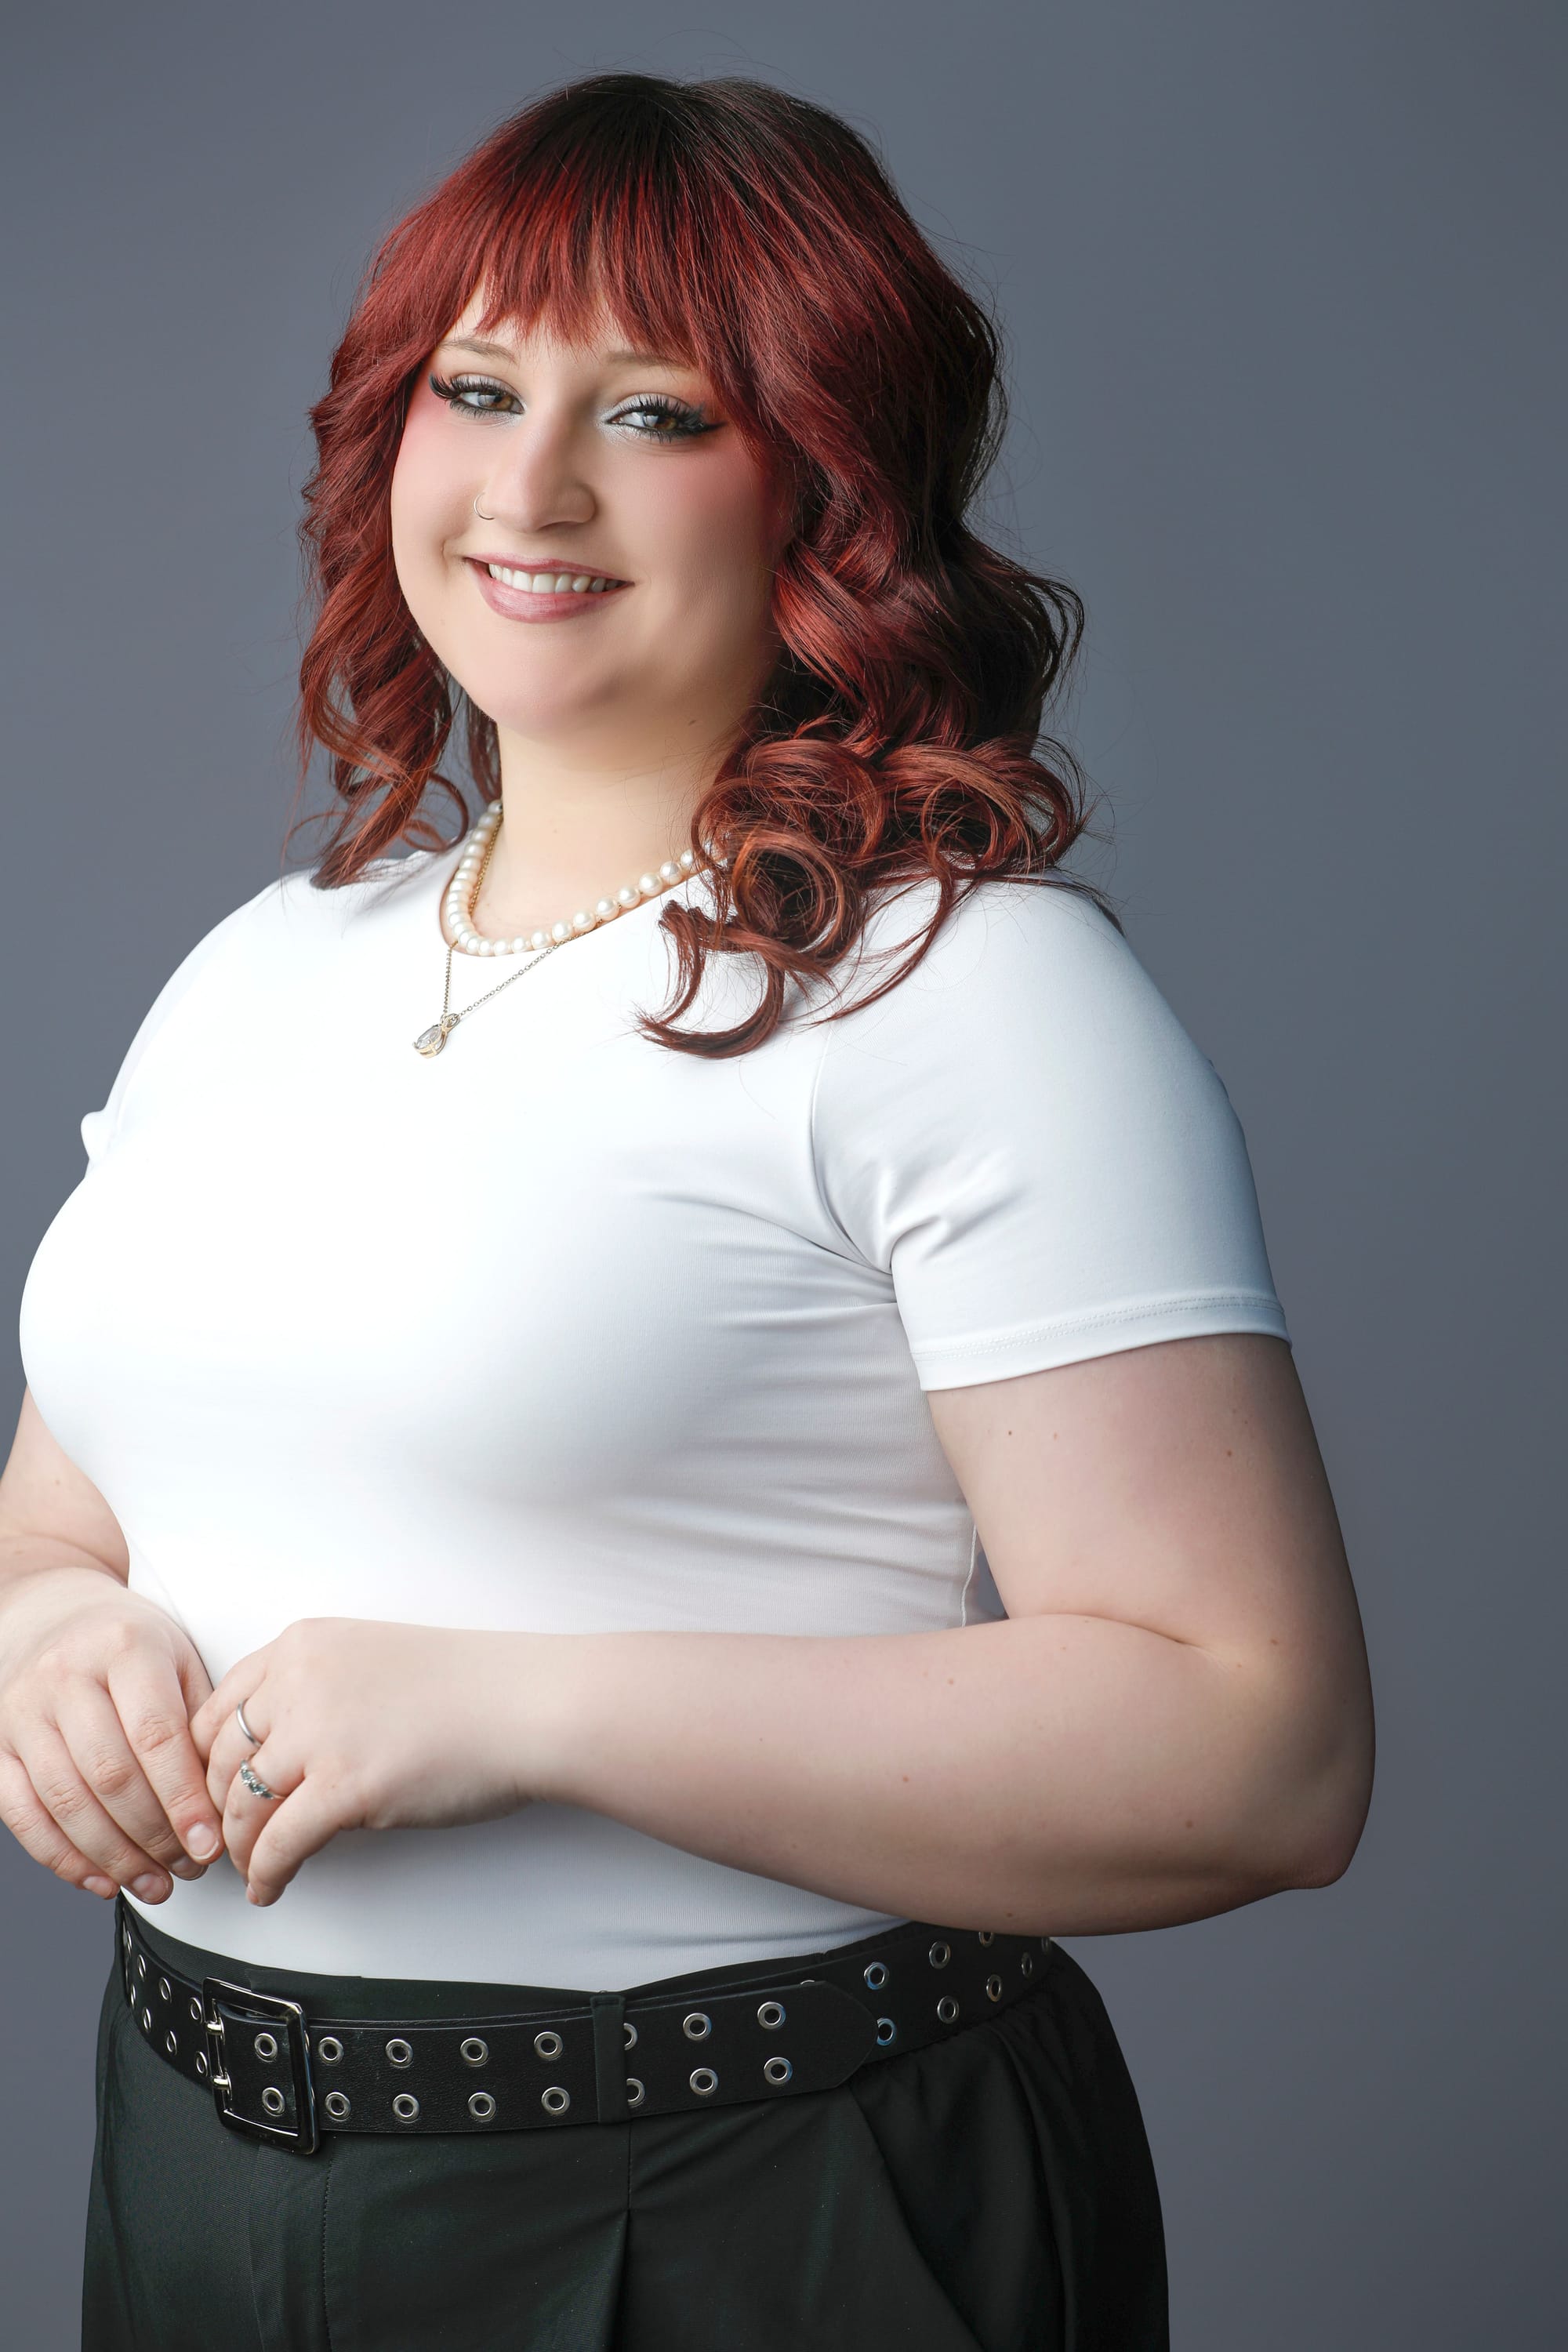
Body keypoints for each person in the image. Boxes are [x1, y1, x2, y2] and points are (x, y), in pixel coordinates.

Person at [0, 69, 1374, 2352]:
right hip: (195, 2164)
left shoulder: (970, 996)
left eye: (652, 413)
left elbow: (1260, 1752)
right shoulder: (263, 966)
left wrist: (525, 1711)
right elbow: (70, 1511)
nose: (531, 486)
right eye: (476, 389)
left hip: (748, 2196)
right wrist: (49, 1639)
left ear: (827, 483)